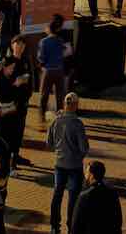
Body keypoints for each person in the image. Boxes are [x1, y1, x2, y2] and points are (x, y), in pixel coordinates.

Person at [49, 96, 90, 234]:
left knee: (57, 195)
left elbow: (49, 143)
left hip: (59, 163)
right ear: (76, 105)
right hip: (74, 166)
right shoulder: (77, 124)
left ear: (64, 104)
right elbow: (84, 148)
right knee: (73, 197)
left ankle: (54, 226)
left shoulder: (56, 120)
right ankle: (71, 226)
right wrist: (79, 156)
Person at [75, 161, 125, 234]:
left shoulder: (84, 197)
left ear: (91, 175)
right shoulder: (113, 194)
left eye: (86, 173)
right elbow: (118, 221)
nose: (85, 176)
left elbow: (76, 226)